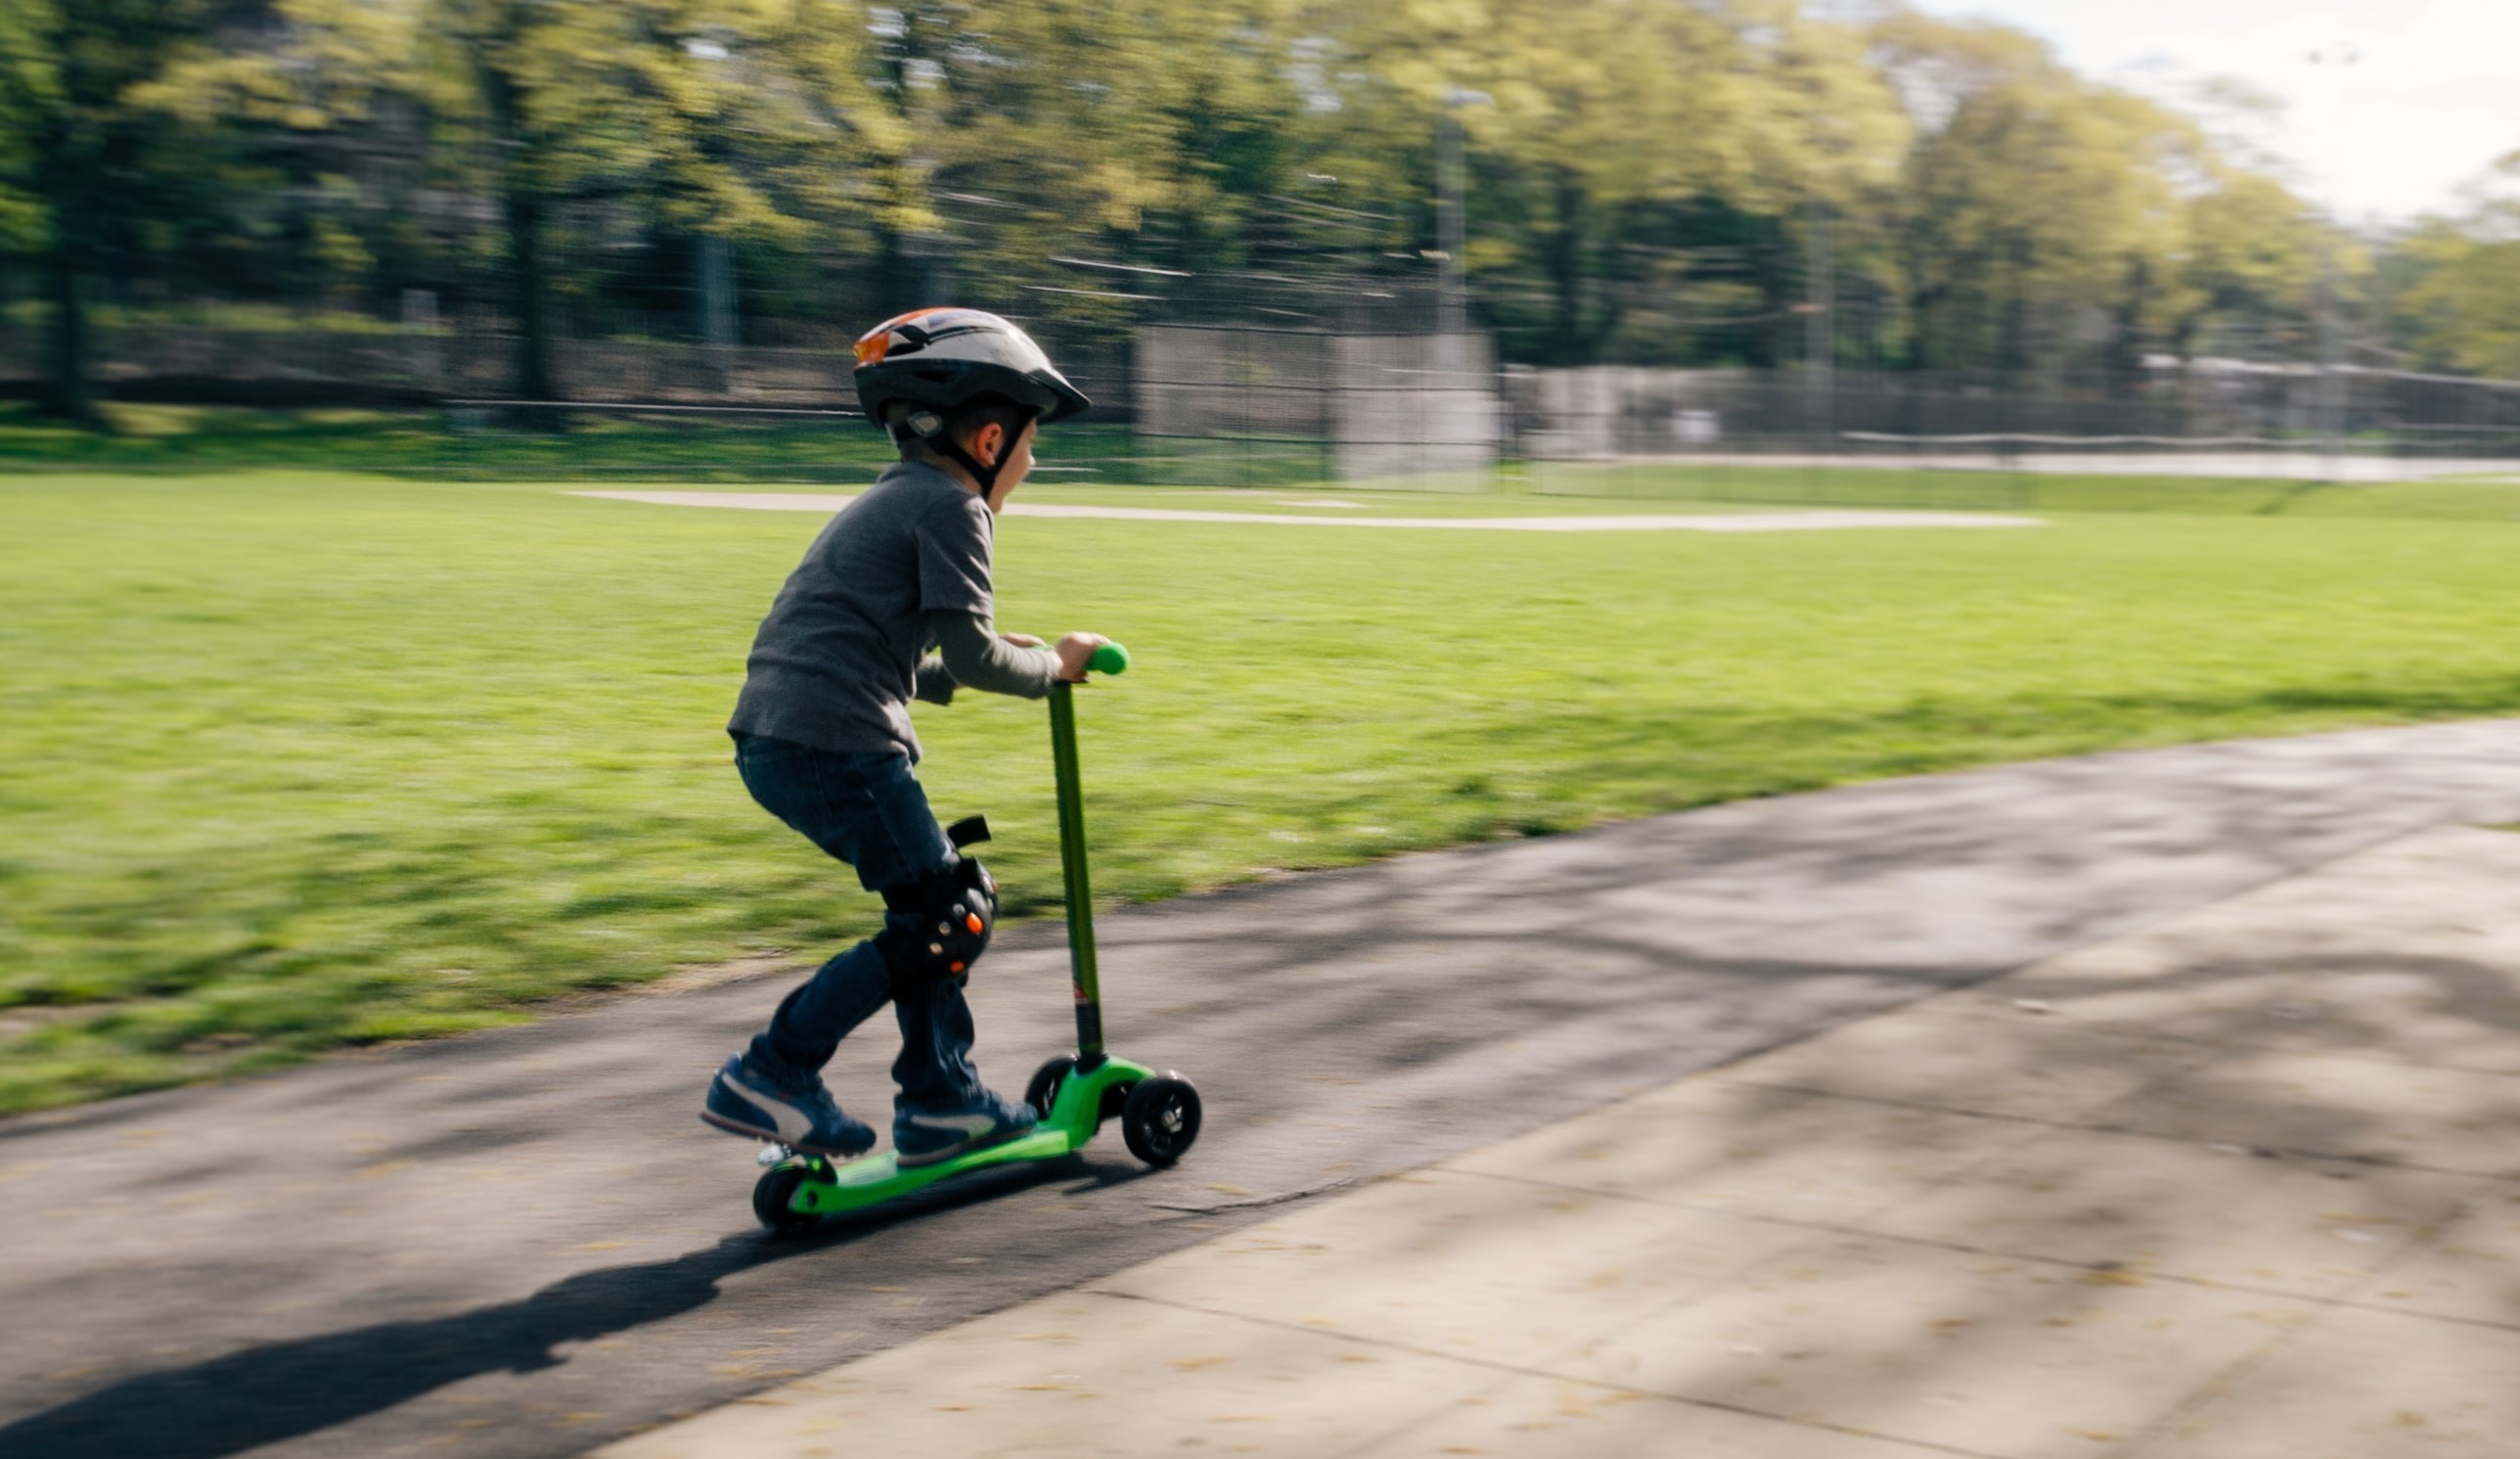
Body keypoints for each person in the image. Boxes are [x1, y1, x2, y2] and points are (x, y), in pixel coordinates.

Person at [700, 307, 1103, 1166]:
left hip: (780, 731)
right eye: (1031, 447)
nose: (1030, 466)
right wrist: (1055, 668)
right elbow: (970, 652)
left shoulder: (892, 500)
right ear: (990, 439)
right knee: (948, 914)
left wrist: (976, 662)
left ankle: (937, 1098)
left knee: (933, 909)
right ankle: (782, 1071)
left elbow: (891, 655)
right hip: (836, 739)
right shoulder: (957, 510)